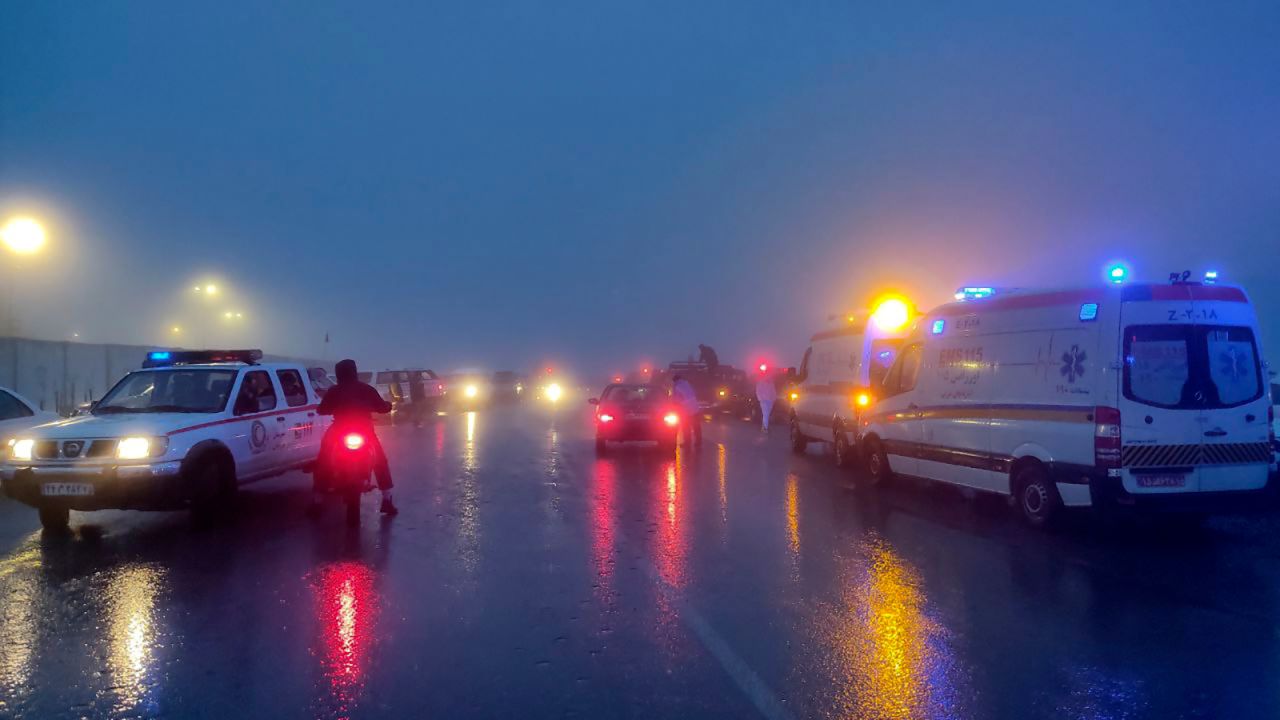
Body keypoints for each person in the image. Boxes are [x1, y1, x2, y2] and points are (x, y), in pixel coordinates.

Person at [315, 358, 398, 515]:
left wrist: (322, 409)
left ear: (339, 373)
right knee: (380, 461)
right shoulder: (366, 389)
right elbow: (381, 407)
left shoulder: (334, 390)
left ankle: (317, 501)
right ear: (354, 372)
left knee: (324, 459)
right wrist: (388, 405)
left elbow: (322, 409)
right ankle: (387, 499)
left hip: (339, 429)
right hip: (364, 429)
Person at [671, 374, 702, 446]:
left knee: (686, 426)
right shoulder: (687, 383)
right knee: (696, 426)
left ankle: (687, 442)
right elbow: (694, 393)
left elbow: (675, 399)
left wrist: (673, 407)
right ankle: (698, 442)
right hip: (695, 407)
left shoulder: (676, 386)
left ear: (674, 380)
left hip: (685, 410)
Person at [755, 367, 778, 434]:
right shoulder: (761, 382)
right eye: (768, 374)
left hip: (770, 401)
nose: (769, 376)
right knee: (766, 414)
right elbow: (758, 391)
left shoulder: (771, 383)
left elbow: (774, 391)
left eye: (770, 374)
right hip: (764, 401)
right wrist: (760, 399)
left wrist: (774, 399)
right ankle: (765, 428)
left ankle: (764, 427)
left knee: (767, 414)